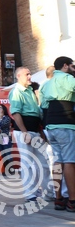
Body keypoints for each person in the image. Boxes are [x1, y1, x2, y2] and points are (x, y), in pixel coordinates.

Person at [8, 66, 51, 203]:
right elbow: (16, 113)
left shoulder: (30, 91)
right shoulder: (17, 92)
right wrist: (24, 132)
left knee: (44, 162)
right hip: (24, 130)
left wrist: (40, 131)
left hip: (34, 130)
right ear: (18, 76)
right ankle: (30, 193)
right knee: (27, 162)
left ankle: (48, 192)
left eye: (30, 74)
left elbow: (37, 113)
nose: (29, 76)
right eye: (27, 74)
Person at [39, 56, 75, 211]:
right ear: (65, 66)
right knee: (69, 161)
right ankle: (72, 200)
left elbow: (43, 106)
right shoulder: (68, 79)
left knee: (58, 161)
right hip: (65, 123)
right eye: (72, 65)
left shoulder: (47, 83)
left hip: (51, 125)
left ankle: (58, 198)